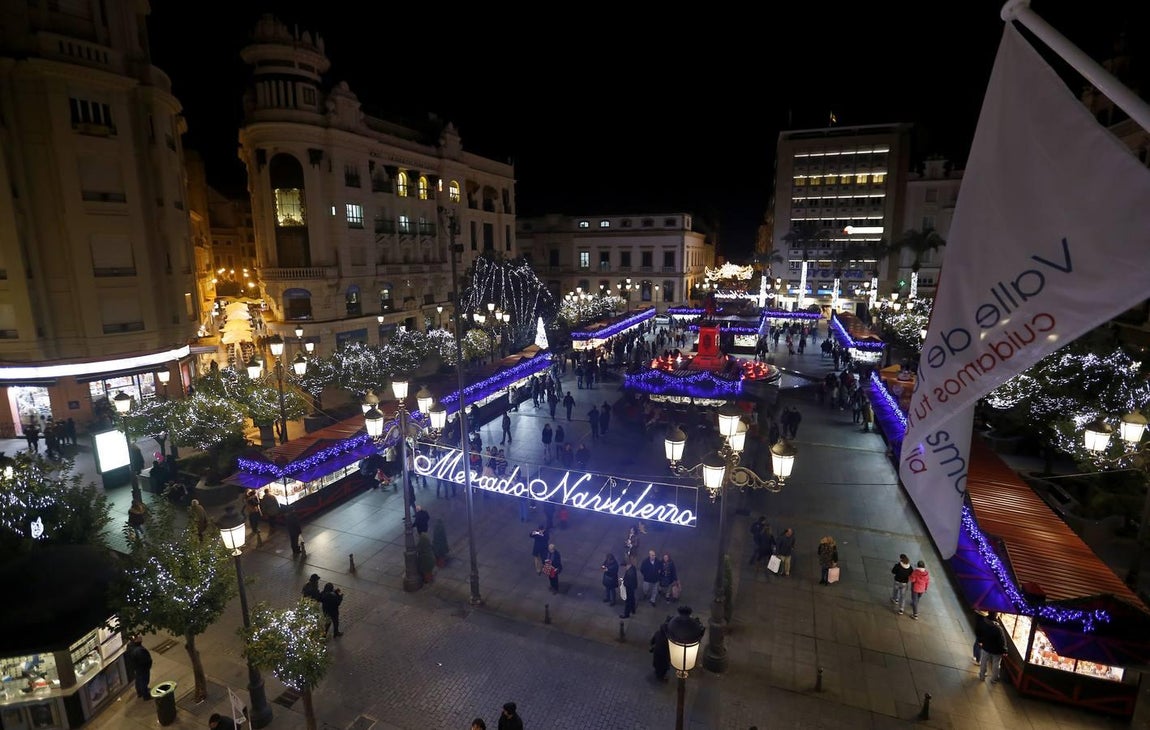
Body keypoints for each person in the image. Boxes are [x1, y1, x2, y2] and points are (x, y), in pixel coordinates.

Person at [977, 610, 1007, 683]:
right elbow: (1002, 641)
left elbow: (980, 632)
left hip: (986, 647)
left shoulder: (983, 623)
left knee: (983, 661)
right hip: (996, 650)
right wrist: (1005, 650)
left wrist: (980, 641)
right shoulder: (998, 629)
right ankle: (994, 679)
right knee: (996, 664)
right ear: (995, 615)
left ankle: (982, 676)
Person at [125, 635, 152, 700]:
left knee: (139, 680)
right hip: (142, 668)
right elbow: (145, 660)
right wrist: (148, 665)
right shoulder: (139, 650)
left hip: (136, 667)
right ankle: (146, 695)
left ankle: (140, 692)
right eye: (139, 638)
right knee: (144, 681)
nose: (141, 638)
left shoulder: (130, 646)